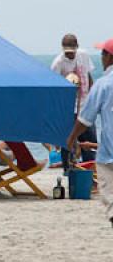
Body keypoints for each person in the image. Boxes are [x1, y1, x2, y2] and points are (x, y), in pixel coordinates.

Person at [67, 38, 113, 228]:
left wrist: (71, 138)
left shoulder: (103, 85)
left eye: (102, 54)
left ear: (109, 57)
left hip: (109, 156)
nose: (101, 58)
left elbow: (85, 119)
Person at [52, 34, 97, 164]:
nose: (70, 55)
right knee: (68, 141)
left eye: (72, 52)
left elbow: (88, 76)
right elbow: (55, 89)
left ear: (77, 47)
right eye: (67, 53)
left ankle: (90, 169)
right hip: (68, 109)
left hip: (85, 105)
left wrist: (92, 98)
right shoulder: (58, 64)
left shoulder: (84, 55)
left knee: (89, 141)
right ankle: (68, 168)